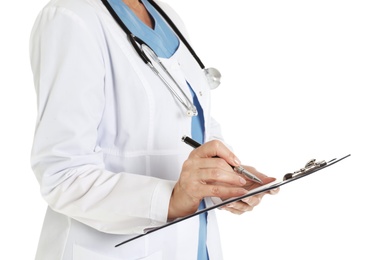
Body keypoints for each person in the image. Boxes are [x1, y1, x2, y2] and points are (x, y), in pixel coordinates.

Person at [29, 0, 278, 259]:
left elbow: (190, 121)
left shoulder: (165, 15)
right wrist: (170, 200)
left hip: (194, 244)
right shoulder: (71, 17)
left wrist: (224, 179)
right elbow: (62, 175)